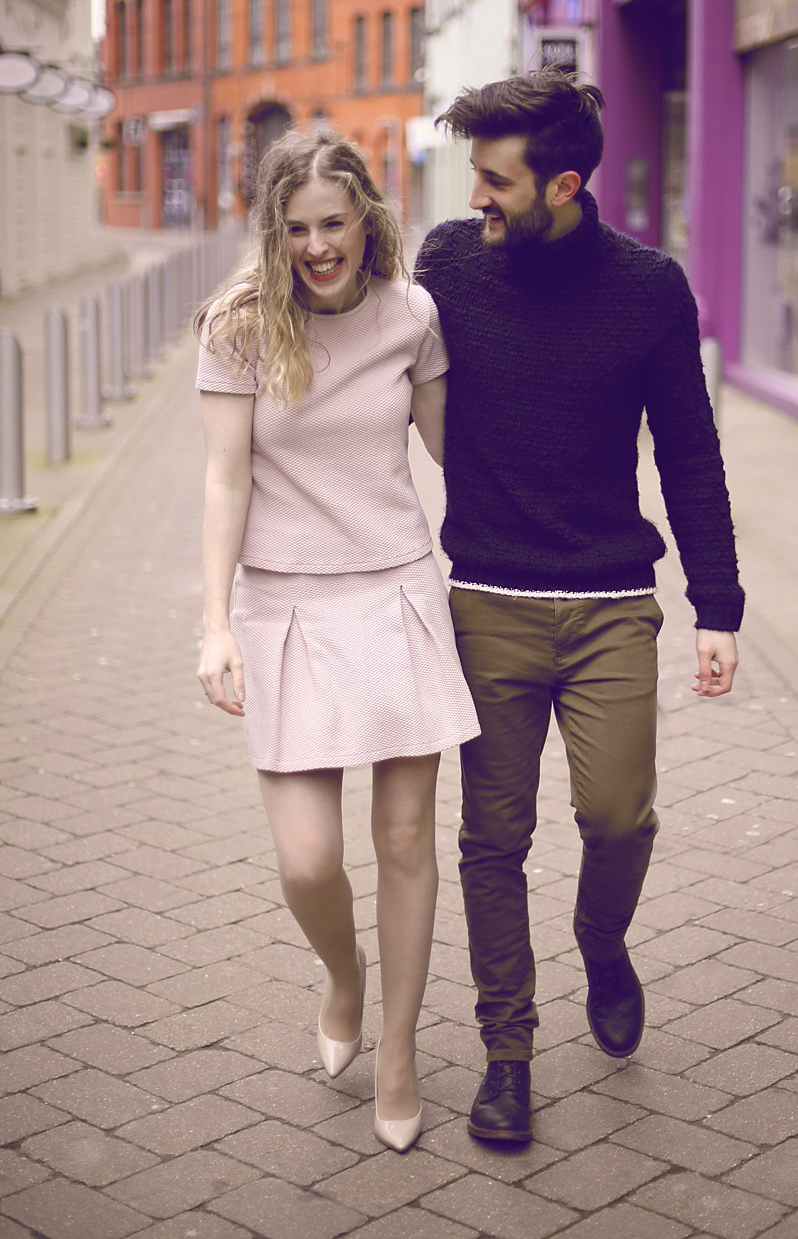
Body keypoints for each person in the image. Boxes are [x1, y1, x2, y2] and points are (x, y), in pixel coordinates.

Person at [414, 69, 744, 1145]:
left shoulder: (650, 289)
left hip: (609, 603)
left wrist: (718, 605)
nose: (478, 197)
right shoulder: (450, 265)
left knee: (615, 816)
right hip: (487, 603)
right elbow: (357, 346)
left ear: (562, 184)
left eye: (497, 180)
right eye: (475, 174)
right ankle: (507, 1052)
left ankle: (603, 944)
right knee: (491, 840)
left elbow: (690, 454)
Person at [195, 127, 480, 1153]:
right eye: (299, 228)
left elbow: (456, 451)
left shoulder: (413, 314)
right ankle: (344, 976)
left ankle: (397, 1051)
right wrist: (216, 623)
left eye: (335, 222)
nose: (320, 246)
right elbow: (226, 480)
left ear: (368, 215)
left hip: (397, 589)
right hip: (285, 607)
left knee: (405, 840)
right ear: (275, 232)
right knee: (310, 857)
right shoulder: (238, 326)